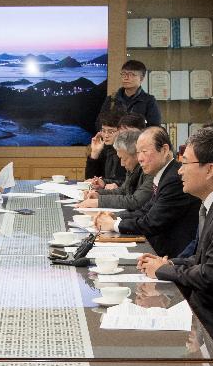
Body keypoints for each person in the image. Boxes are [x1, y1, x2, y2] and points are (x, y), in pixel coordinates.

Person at [135, 127, 213, 344]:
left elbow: (212, 277)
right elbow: (200, 256)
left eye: (185, 163)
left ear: (209, 170)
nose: (179, 171)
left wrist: (166, 270)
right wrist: (167, 263)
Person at [93, 126, 197, 258]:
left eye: (144, 151)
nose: (140, 158)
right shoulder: (163, 174)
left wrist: (113, 224)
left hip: (172, 257)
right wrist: (114, 217)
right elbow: (145, 211)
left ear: (164, 150)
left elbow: (150, 223)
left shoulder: (174, 178)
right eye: (138, 152)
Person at [77, 129, 150, 210]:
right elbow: (123, 191)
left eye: (124, 159)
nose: (122, 163)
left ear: (137, 154)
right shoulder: (133, 168)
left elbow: (135, 201)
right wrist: (98, 194)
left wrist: (99, 202)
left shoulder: (149, 170)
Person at [112, 60, 162, 127]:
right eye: (123, 74)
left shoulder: (149, 101)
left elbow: (154, 127)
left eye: (131, 75)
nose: (126, 78)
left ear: (141, 78)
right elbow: (101, 122)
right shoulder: (112, 99)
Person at [84, 103, 126, 183]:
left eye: (111, 132)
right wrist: (94, 154)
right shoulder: (104, 149)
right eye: (103, 131)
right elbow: (90, 181)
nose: (106, 135)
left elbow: (126, 183)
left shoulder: (126, 151)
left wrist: (104, 182)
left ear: (122, 131)